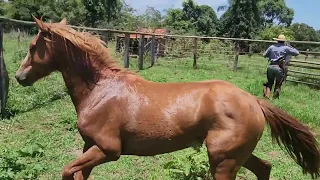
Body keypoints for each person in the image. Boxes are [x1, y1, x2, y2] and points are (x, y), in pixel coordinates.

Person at [262, 34, 299, 99]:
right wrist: (290, 46)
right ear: (284, 41)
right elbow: (297, 53)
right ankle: (274, 99)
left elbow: (264, 55)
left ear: (277, 40)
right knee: (278, 84)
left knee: (270, 83)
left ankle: (267, 97)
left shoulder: (272, 47)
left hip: (271, 66)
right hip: (279, 67)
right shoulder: (286, 48)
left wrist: (271, 55)